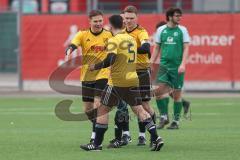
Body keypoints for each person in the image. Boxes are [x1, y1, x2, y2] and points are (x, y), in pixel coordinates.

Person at [80, 15, 164, 151]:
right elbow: (141, 51)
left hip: (117, 82)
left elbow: (111, 58)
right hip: (132, 79)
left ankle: (96, 144)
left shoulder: (114, 40)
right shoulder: (131, 39)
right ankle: (156, 138)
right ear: (123, 24)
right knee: (139, 109)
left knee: (102, 110)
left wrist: (95, 66)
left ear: (111, 25)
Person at [65, 10, 112, 142]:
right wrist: (69, 49)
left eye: (100, 21)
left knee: (98, 104)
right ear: (89, 22)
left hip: (103, 73)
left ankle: (95, 137)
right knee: (87, 109)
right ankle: (98, 126)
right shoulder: (82, 34)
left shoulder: (109, 35)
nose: (98, 23)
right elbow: (73, 44)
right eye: (95, 21)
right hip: (87, 75)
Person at [151, 7, 190, 129]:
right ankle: (163, 117)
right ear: (170, 17)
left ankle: (176, 122)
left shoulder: (182, 30)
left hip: (177, 67)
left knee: (177, 95)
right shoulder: (161, 30)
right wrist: (151, 61)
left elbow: (186, 48)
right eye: (177, 15)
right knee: (158, 92)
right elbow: (157, 47)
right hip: (163, 66)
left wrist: (183, 64)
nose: (180, 18)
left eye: (180, 16)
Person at [122, 5, 156, 146]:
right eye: (127, 18)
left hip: (141, 72)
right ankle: (125, 135)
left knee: (145, 105)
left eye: (131, 18)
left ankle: (145, 135)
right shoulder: (122, 33)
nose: (129, 21)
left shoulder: (141, 32)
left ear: (137, 18)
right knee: (128, 106)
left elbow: (146, 48)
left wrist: (129, 49)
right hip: (126, 73)